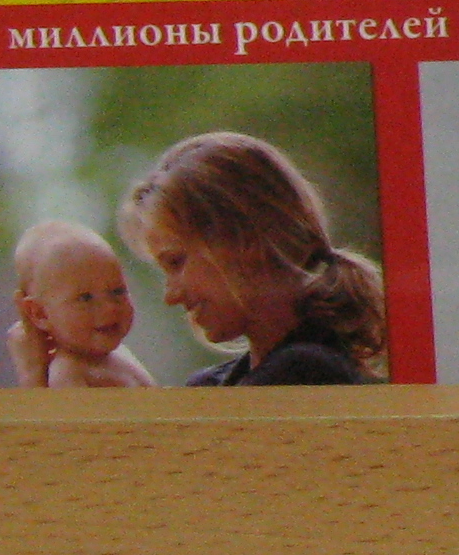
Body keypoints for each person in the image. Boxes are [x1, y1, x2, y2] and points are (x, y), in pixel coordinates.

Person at [118, 133, 386, 384]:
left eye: (176, 262)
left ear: (243, 240)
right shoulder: (217, 383)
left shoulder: (302, 372)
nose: (171, 296)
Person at [4, 219, 155, 387]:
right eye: (85, 298)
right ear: (40, 314)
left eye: (117, 292)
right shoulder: (67, 372)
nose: (110, 308)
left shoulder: (120, 355)